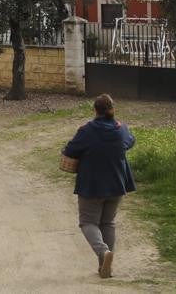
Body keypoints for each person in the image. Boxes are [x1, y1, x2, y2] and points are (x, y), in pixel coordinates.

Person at [62, 93, 136, 279]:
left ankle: (103, 253)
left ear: (95, 110)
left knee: (88, 222)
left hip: (92, 184)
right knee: (108, 223)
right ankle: (104, 266)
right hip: (117, 183)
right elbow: (130, 141)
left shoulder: (87, 130)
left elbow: (71, 150)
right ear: (112, 110)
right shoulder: (121, 129)